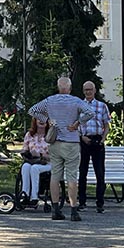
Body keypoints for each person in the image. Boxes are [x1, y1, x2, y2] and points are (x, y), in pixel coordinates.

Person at [29, 77, 95, 222]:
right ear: (70, 88)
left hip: (55, 142)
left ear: (58, 87)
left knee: (55, 176)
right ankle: (73, 210)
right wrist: (78, 123)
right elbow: (90, 112)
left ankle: (55, 209)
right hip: (71, 142)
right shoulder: (76, 101)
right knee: (71, 176)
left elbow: (33, 110)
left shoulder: (50, 100)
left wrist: (47, 120)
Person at [77, 81, 110, 214]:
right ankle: (82, 202)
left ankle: (100, 203)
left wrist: (103, 139)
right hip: (84, 140)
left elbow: (106, 125)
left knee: (100, 173)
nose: (88, 92)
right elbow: (75, 125)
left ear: (95, 90)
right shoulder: (79, 105)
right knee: (82, 172)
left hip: (97, 139)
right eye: (86, 90)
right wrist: (81, 137)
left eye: (90, 89)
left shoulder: (102, 106)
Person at [19, 118, 51, 207]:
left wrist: (41, 155)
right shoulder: (29, 135)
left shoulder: (50, 136)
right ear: (35, 121)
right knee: (25, 166)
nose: (41, 121)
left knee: (34, 168)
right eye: (39, 119)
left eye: (44, 119)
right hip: (32, 161)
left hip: (47, 163)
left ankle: (34, 197)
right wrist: (26, 153)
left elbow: (55, 156)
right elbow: (24, 149)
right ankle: (25, 195)